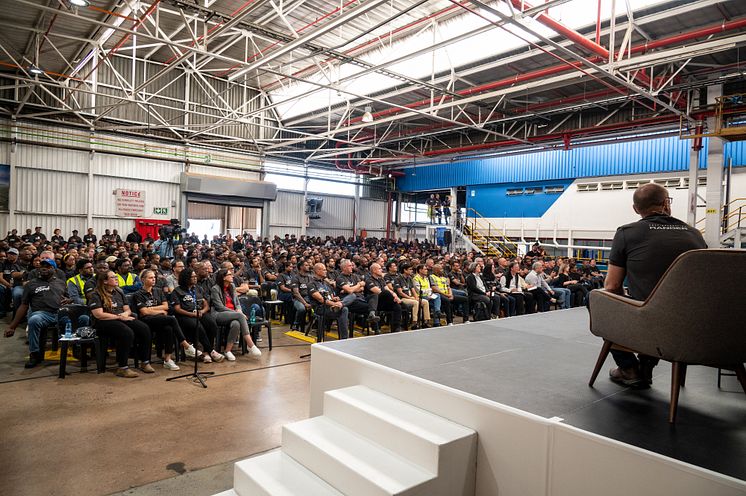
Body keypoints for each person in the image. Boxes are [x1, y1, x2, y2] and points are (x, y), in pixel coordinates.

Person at [603, 183, 706, 388]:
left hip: (648, 323)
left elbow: (612, 285)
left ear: (636, 209)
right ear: (666, 203)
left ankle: (629, 369)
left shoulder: (626, 232)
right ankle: (646, 366)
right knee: (654, 308)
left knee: (598, 299)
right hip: (693, 324)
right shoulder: (694, 234)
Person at [4, 259, 89, 368]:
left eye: (48, 267)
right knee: (34, 320)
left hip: (61, 312)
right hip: (43, 314)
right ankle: (34, 354)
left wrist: (69, 300)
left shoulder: (60, 283)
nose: (44, 268)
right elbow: (24, 305)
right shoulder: (31, 284)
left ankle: (77, 348)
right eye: (42, 266)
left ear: (54, 269)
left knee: (81, 318)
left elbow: (69, 298)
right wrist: (12, 326)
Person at [88, 271, 154, 377]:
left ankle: (145, 362)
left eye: (116, 276)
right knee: (127, 333)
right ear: (105, 281)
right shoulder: (96, 294)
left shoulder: (119, 291)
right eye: (113, 277)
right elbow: (98, 314)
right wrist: (119, 317)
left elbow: (127, 309)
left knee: (144, 328)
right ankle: (122, 367)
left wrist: (125, 315)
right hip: (103, 322)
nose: (116, 278)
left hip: (120, 318)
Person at [134, 269, 196, 371]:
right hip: (147, 320)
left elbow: (166, 306)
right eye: (150, 277)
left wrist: (151, 309)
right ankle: (185, 345)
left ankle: (168, 360)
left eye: (154, 277)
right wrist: (158, 310)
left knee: (169, 329)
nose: (153, 279)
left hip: (160, 318)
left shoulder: (158, 290)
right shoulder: (138, 294)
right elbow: (144, 312)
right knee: (171, 319)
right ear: (143, 279)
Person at [171, 267, 224, 363]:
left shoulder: (198, 289)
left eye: (195, 276)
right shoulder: (177, 291)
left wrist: (202, 311)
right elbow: (177, 309)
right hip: (185, 316)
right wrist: (191, 314)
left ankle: (206, 351)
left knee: (211, 324)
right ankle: (211, 351)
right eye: (192, 277)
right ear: (186, 278)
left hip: (199, 312)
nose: (195, 278)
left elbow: (206, 304)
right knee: (197, 326)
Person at [210, 269, 261, 361]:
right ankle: (250, 344)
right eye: (229, 275)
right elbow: (220, 307)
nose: (232, 276)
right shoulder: (215, 289)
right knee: (240, 316)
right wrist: (238, 313)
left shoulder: (232, 286)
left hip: (234, 315)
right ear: (223, 277)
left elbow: (237, 303)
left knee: (236, 324)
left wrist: (239, 310)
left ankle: (227, 351)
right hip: (219, 314)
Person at [308, 262, 349, 339]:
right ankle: (344, 338)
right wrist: (334, 304)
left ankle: (341, 304)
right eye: (324, 270)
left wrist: (335, 299)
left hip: (330, 306)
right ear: (317, 271)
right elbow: (321, 299)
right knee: (344, 310)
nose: (326, 271)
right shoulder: (311, 284)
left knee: (351, 297)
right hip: (320, 308)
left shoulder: (325, 283)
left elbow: (331, 296)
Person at [364, 262, 402, 333]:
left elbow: (387, 289)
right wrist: (394, 297)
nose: (382, 270)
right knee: (386, 293)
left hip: (384, 301)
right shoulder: (369, 280)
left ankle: (397, 327)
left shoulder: (381, 279)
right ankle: (375, 327)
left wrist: (395, 295)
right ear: (374, 270)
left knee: (397, 306)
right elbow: (378, 292)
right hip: (375, 303)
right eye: (379, 269)